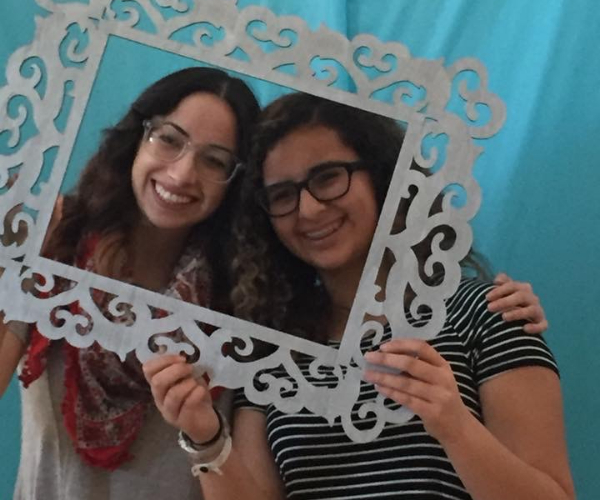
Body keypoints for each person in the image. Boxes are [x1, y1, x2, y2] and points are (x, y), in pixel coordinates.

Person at [143, 93, 574, 500]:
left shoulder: (486, 312)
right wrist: (205, 436)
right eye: (283, 195)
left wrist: (454, 425)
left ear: (383, 178)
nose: (309, 209)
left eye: (328, 177)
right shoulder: (276, 348)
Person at [0, 66, 260, 500]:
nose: (182, 174)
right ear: (138, 137)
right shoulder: (59, 242)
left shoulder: (241, 301)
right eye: (169, 139)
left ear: (236, 182)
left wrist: (206, 433)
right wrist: (12, 274)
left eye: (214, 161)